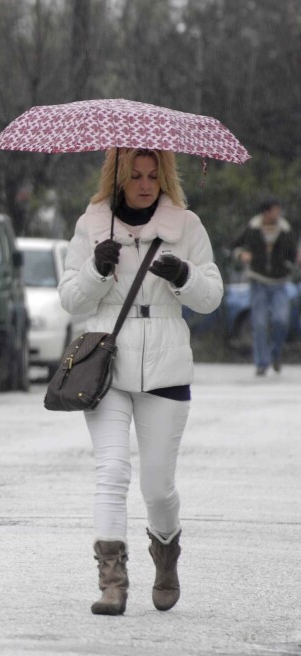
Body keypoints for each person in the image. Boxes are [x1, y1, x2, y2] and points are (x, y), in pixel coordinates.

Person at [59, 147, 223, 616]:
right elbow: (71, 299)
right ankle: (112, 582)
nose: (145, 183)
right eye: (135, 175)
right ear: (118, 177)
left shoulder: (185, 226)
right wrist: (96, 269)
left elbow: (212, 297)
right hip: (106, 360)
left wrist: (184, 275)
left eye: (153, 174)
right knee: (110, 473)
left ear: (164, 176)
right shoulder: (92, 224)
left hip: (166, 364)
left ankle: (166, 553)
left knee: (156, 486)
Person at [230, 198, 298, 375]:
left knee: (281, 320)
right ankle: (261, 363)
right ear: (265, 213)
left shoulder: (285, 230)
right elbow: (235, 245)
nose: (278, 214)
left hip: (279, 282)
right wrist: (241, 255)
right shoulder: (253, 228)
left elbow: (292, 254)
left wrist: (295, 260)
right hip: (258, 281)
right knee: (259, 323)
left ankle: (275, 353)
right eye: (274, 210)